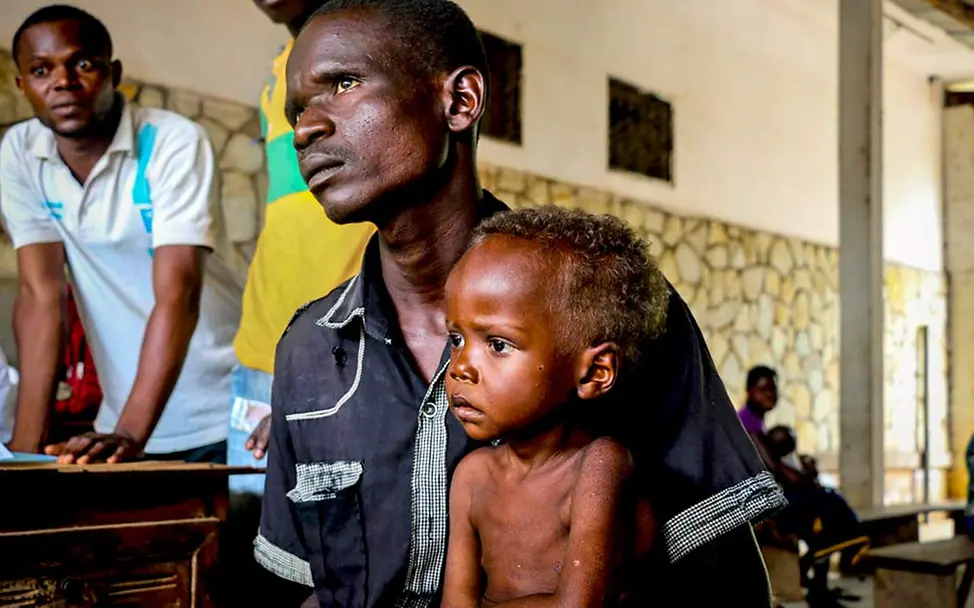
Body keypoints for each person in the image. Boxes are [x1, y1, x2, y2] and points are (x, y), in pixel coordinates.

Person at [257, 1, 786, 606]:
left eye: (344, 84)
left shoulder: (606, 308)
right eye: (297, 109)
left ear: (459, 101)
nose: (305, 129)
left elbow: (724, 578)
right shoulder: (308, 355)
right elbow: (306, 593)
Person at [0, 5, 241, 464]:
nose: (63, 81)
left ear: (113, 74)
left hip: (220, 410)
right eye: (41, 70)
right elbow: (39, 295)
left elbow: (179, 293)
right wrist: (24, 456)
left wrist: (131, 432)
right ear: (23, 86)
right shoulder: (21, 152)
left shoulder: (172, 141)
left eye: (83, 64)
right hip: (121, 419)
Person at [440, 207, 663, 607]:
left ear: (594, 371)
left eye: (497, 344)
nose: (461, 368)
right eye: (456, 339)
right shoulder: (471, 478)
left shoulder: (599, 467)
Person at [231, 0, 375, 491]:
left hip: (345, 355)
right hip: (261, 349)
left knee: (327, 552)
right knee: (247, 540)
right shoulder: (281, 66)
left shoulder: (372, 46)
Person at [739, 367, 865, 605]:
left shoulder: (756, 422)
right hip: (754, 509)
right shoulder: (747, 422)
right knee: (825, 501)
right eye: (763, 389)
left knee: (821, 511)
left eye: (774, 389)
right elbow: (774, 467)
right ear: (749, 391)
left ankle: (819, 582)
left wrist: (806, 472)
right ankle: (850, 543)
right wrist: (808, 480)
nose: (770, 394)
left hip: (766, 500)